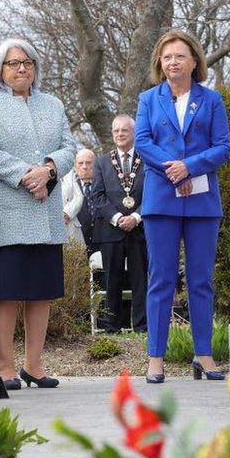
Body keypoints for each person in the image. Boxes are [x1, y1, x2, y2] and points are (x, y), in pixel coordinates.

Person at [0, 38, 76, 390]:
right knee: (5, 290)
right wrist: (25, 175)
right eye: (12, 63)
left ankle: (34, 365)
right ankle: (6, 367)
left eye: (27, 62)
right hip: (5, 209)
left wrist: (48, 170)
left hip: (44, 208)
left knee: (40, 289)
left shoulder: (53, 103)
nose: (21, 68)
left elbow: (69, 147)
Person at [134, 30, 230, 383]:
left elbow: (223, 147)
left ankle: (203, 354)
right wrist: (175, 170)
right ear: (159, 64)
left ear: (194, 62)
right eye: (166, 57)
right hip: (161, 201)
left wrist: (191, 166)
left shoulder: (211, 100)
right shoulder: (148, 99)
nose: (173, 62)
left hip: (202, 201)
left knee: (201, 280)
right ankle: (155, 357)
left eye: (180, 56)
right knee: (160, 279)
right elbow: (143, 142)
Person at [90, 116, 149, 332]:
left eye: (124, 130)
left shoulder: (146, 160)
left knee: (140, 281)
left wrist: (135, 217)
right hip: (110, 230)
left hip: (139, 229)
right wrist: (117, 218)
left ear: (133, 133)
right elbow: (97, 196)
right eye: (116, 131)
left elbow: (153, 193)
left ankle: (142, 326)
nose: (120, 134)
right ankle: (111, 327)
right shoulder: (102, 161)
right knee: (111, 281)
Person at [61, 149, 96, 250]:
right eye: (80, 163)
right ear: (75, 166)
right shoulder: (69, 190)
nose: (84, 166)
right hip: (78, 243)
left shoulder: (105, 185)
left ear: (95, 164)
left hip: (103, 241)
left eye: (88, 163)